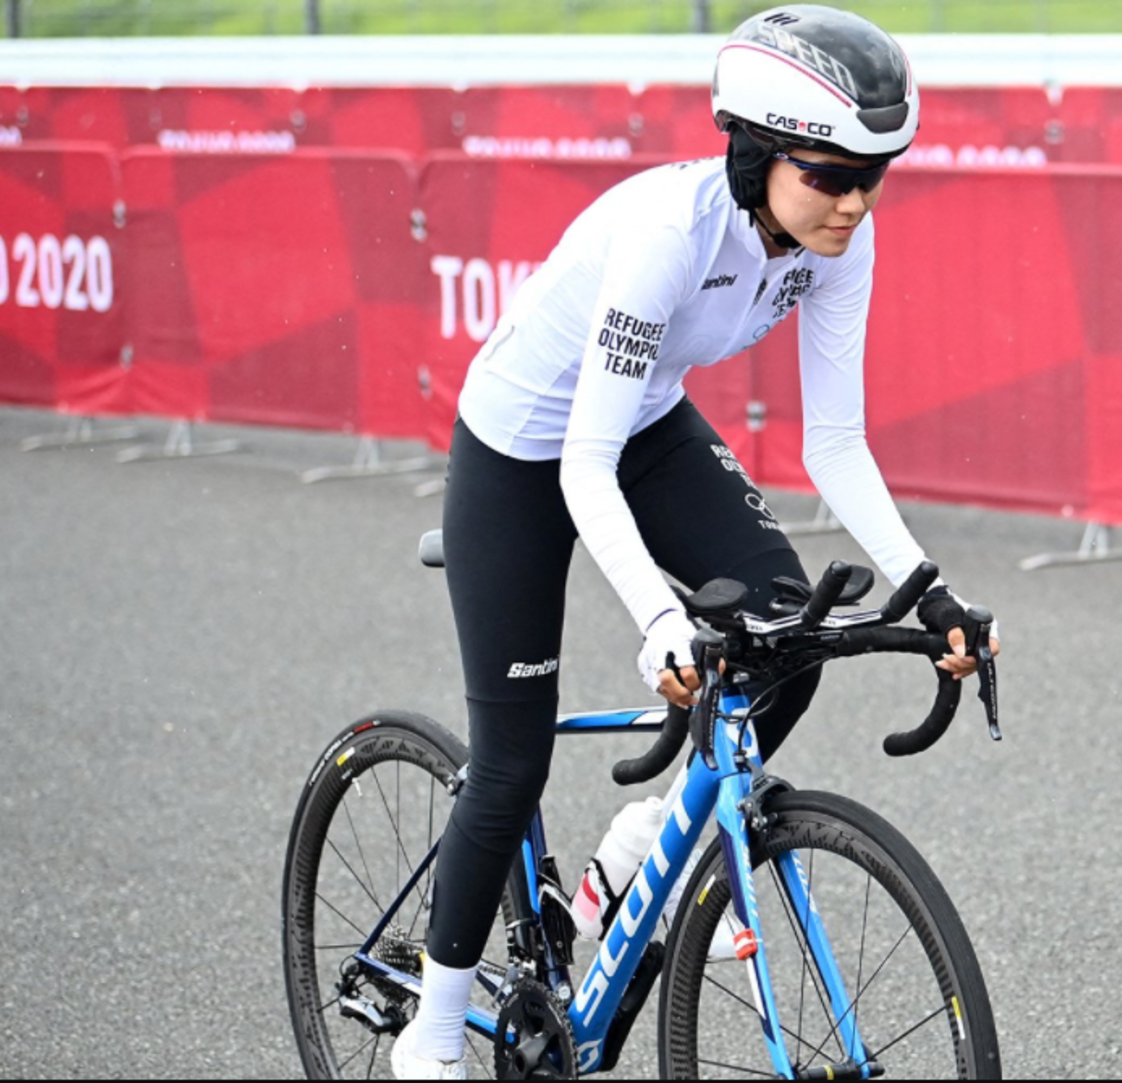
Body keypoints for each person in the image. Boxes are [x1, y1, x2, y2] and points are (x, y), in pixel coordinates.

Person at [392, 6, 1002, 1078]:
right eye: (829, 175)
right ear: (759, 152)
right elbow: (579, 460)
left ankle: (639, 848)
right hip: (526, 447)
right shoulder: (670, 237)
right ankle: (431, 1038)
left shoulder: (829, 240)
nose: (855, 202)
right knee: (510, 760)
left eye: (875, 175)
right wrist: (661, 623)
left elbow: (837, 444)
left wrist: (930, 590)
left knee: (784, 636)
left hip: (643, 425)